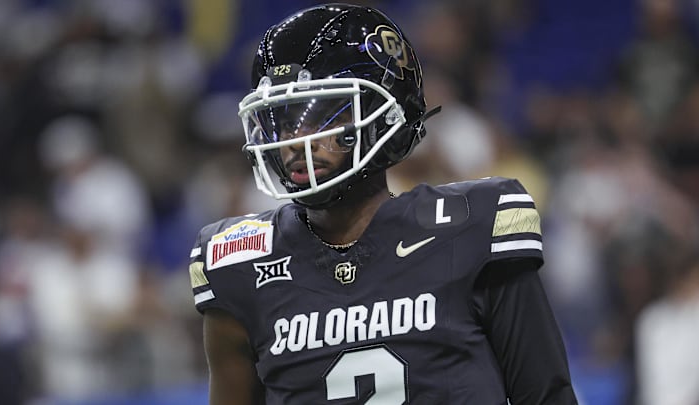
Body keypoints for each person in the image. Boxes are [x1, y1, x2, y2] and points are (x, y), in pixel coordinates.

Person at [188, 3, 577, 404]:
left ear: (386, 115)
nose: (297, 141)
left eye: (322, 116)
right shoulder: (239, 264)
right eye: (285, 121)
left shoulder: (471, 228)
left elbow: (545, 396)